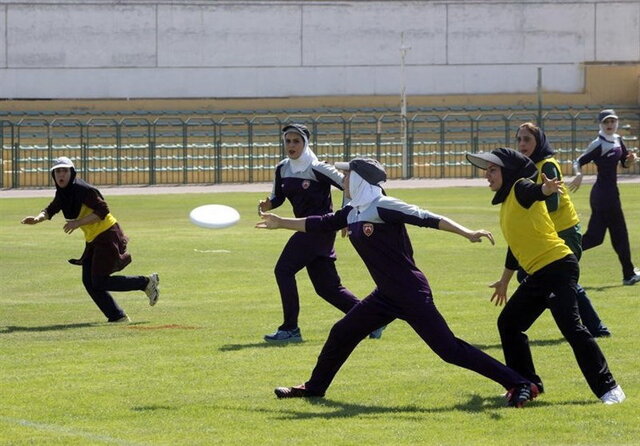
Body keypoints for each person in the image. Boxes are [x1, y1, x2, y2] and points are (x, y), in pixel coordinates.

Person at [257, 157, 540, 408]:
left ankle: (519, 383)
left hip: (410, 292)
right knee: (342, 332)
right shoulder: (354, 210)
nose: (343, 180)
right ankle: (315, 388)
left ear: (360, 178)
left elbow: (429, 218)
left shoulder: (383, 205)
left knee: (449, 350)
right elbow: (320, 222)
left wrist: (467, 233)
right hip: (386, 295)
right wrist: (281, 222)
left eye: (347, 175)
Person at [466, 148, 625, 405]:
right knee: (509, 323)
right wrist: (505, 280)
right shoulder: (507, 204)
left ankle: (609, 387)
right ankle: (526, 383)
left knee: (572, 327)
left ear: (507, 171)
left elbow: (534, 190)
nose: (487, 176)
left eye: (493, 170)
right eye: (487, 171)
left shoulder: (520, 187)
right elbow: (515, 247)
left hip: (558, 266)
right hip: (539, 273)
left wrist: (546, 190)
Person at [259, 124, 383, 343]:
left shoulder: (318, 168)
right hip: (304, 228)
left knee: (283, 270)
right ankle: (372, 320)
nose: (291, 145)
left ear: (305, 143)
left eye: (296, 141)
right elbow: (278, 196)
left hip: (320, 228)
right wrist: (269, 204)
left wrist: (346, 216)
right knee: (327, 288)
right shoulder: (282, 168)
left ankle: (290, 329)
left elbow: (349, 186)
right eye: (287, 141)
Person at [21, 156, 159, 323]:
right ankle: (117, 316)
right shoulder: (63, 192)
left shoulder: (83, 190)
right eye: (57, 171)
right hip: (93, 238)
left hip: (107, 234)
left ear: (72, 173)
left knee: (99, 281)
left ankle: (145, 283)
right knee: (89, 281)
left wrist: (77, 223)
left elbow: (103, 210)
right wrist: (37, 218)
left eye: (64, 170)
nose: (61, 174)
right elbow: (51, 209)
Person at [515, 122, 610, 337]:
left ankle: (594, 327)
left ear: (538, 141)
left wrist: (527, 208)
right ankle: (586, 324)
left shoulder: (546, 165)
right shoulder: (530, 166)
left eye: (527, 139)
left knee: (560, 280)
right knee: (536, 277)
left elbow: (553, 203)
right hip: (549, 234)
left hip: (565, 232)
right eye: (519, 139)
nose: (522, 143)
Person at [568, 109, 640, 286]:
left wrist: (631, 160)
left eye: (612, 122)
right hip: (602, 195)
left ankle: (629, 273)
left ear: (616, 123)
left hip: (611, 194)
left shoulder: (617, 140)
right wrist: (578, 175)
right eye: (606, 122)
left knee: (598, 237)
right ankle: (628, 274)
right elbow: (578, 161)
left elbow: (624, 162)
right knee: (616, 235)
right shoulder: (598, 143)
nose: (609, 125)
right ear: (601, 124)